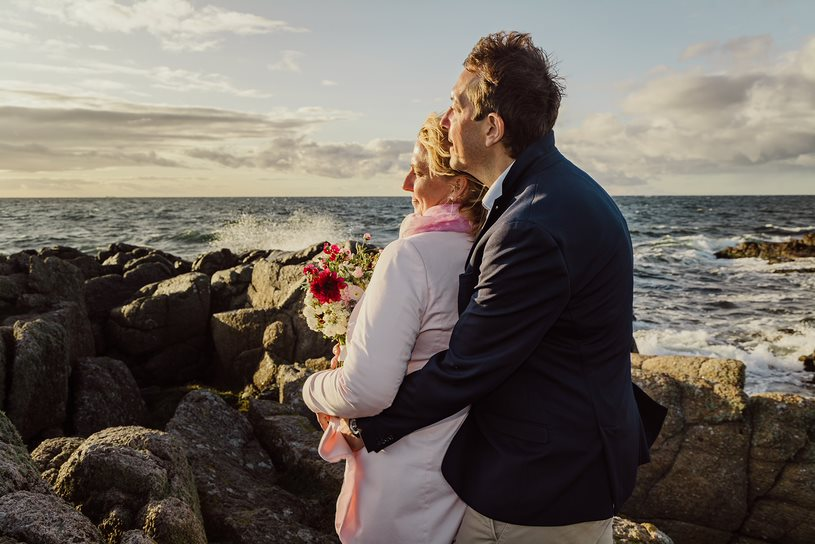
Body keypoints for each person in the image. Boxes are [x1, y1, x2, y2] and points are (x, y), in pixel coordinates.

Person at [349, 31, 654, 543]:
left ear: (492, 127)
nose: (445, 119)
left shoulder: (532, 221)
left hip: (543, 487)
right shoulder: (553, 192)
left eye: (455, 105)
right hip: (552, 464)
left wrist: (364, 424)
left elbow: (472, 362)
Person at [301, 113, 487, 543]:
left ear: (457, 185)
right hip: (455, 467)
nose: (406, 183)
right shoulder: (484, 254)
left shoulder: (411, 257)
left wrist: (313, 386)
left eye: (419, 171)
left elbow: (365, 391)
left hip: (399, 469)